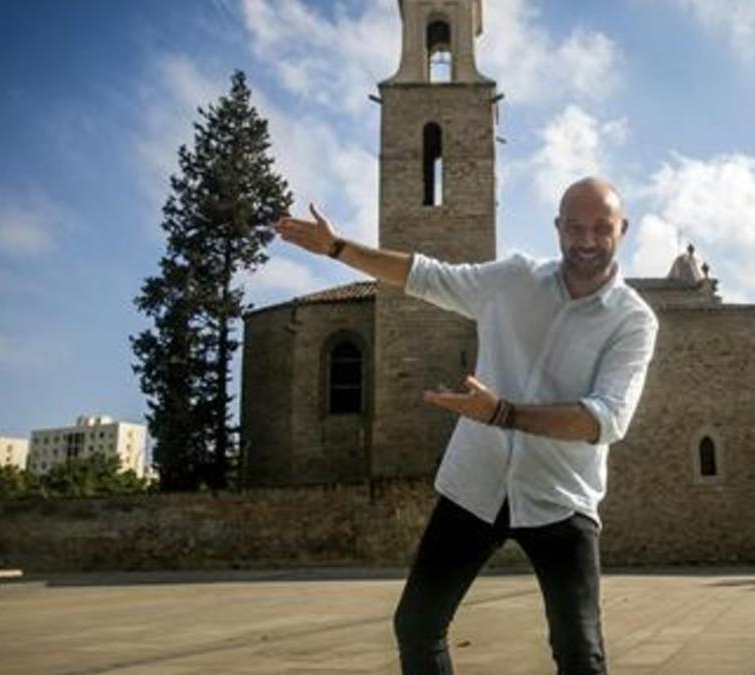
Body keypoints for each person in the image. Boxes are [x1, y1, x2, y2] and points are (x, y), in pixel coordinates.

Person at [274, 177, 658, 675]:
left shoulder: (633, 321)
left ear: (622, 229)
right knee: (416, 625)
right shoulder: (514, 280)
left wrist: (504, 414)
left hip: (561, 498)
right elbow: (428, 276)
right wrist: (337, 247)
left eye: (601, 228)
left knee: (580, 653)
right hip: (474, 483)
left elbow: (605, 420)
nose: (587, 240)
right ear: (558, 227)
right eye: (576, 227)